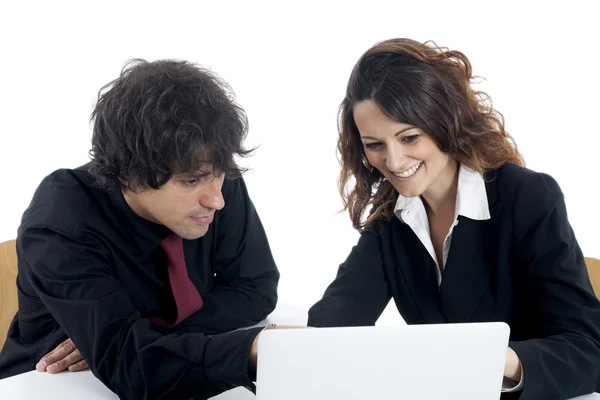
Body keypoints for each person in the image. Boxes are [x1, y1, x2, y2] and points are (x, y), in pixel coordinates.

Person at [307, 38, 600, 400]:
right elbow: (336, 318)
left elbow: (588, 350)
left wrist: (495, 359)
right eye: (375, 144)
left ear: (444, 121)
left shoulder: (527, 198)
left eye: (409, 137)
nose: (394, 162)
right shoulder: (392, 217)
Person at [0, 59, 281, 399]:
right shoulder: (61, 222)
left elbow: (256, 288)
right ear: (129, 176)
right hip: (47, 384)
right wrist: (253, 349)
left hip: (158, 371)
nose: (217, 200)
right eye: (190, 180)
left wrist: (147, 335)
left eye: (219, 173)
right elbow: (132, 371)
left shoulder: (211, 178)